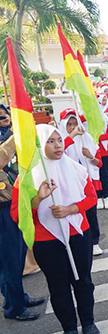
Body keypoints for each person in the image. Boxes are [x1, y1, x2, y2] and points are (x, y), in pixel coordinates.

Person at [11, 124, 100, 334]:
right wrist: (38, 198)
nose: (58, 145)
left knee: (83, 282)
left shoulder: (76, 169)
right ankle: (69, 328)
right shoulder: (26, 178)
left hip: (78, 234)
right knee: (59, 287)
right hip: (46, 241)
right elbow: (17, 214)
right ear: (39, 145)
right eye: (50, 141)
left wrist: (70, 209)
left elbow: (91, 198)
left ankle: (88, 322)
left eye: (59, 140)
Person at [0, 104, 44, 322]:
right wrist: (16, 135)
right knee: (9, 261)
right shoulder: (5, 141)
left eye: (4, 116)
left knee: (16, 257)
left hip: (10, 203)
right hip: (1, 210)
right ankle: (15, 307)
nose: (3, 120)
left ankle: (16, 299)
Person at [58, 109, 104, 256]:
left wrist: (90, 156)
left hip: (87, 183)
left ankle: (94, 242)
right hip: (68, 185)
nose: (72, 127)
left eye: (75, 123)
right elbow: (60, 151)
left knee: (91, 214)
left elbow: (99, 164)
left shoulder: (88, 140)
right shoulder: (60, 142)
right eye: (69, 124)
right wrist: (73, 135)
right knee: (74, 215)